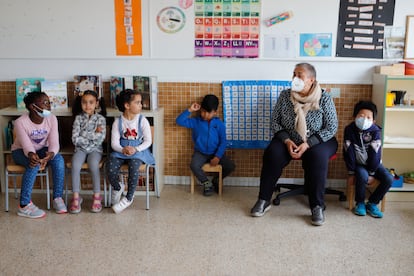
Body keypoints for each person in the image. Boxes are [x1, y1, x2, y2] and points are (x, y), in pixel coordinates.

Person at [250, 63, 338, 226]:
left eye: (300, 75)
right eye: (294, 74)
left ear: (311, 80)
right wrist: (286, 140)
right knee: (272, 153)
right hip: (289, 138)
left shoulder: (324, 97)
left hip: (319, 139)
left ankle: (317, 206)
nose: (295, 78)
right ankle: (264, 199)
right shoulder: (285, 96)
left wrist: (309, 143)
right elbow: (275, 122)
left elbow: (331, 127)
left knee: (317, 156)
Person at [11, 91, 67, 218]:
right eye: (44, 103)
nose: (49, 106)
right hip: (20, 151)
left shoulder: (52, 118)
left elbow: (54, 142)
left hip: (42, 149)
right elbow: (26, 145)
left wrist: (51, 154)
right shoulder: (20, 122)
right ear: (32, 106)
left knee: (58, 160)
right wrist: (31, 155)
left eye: (49, 102)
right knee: (34, 164)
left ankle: (57, 198)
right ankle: (24, 205)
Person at [106, 89, 155, 214]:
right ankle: (117, 187)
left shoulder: (142, 120)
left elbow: (148, 141)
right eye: (137, 102)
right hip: (121, 150)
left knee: (134, 166)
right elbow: (114, 143)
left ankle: (128, 198)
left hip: (138, 151)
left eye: (140, 102)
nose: (141, 105)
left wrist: (135, 149)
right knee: (110, 166)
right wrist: (123, 149)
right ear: (127, 106)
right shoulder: (118, 122)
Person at [176, 94, 235, 196]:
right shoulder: (196, 122)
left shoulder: (219, 124)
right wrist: (190, 110)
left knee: (231, 166)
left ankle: (216, 180)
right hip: (200, 153)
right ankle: (206, 183)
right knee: (193, 165)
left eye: (208, 112)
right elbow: (179, 121)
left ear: (215, 112)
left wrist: (217, 156)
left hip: (215, 153)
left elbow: (223, 141)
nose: (205, 114)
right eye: (203, 111)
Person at [343, 100, 393, 218]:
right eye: (361, 116)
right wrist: (351, 172)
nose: (364, 119)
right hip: (359, 164)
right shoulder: (349, 130)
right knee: (361, 175)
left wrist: (372, 172)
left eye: (368, 117)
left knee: (388, 178)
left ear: (373, 121)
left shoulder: (375, 131)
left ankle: (372, 203)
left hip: (375, 164)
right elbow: (348, 151)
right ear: (354, 117)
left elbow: (375, 153)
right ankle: (360, 203)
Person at [69, 90, 107, 214]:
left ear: (96, 103)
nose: (87, 105)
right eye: (84, 102)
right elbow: (75, 139)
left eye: (91, 102)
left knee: (93, 165)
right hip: (80, 149)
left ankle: (97, 197)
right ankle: (76, 197)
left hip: (95, 150)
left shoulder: (100, 119)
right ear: (81, 103)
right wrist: (93, 133)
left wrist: (83, 135)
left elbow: (100, 139)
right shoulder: (78, 118)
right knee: (75, 165)